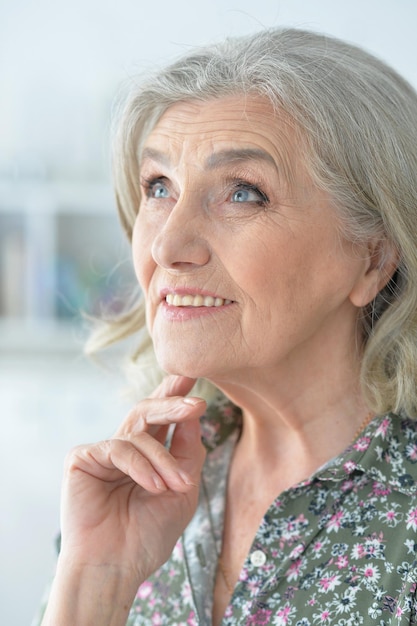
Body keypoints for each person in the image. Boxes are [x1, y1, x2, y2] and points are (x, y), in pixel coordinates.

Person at [37, 27, 417, 625]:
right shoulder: (128, 492)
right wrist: (95, 583)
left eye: (243, 193)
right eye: (158, 187)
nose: (168, 244)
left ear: (371, 258)